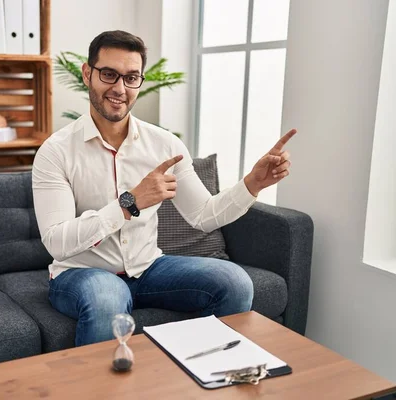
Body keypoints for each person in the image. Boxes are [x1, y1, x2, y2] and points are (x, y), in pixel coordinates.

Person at [32, 30, 296, 347]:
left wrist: (253, 184)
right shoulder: (56, 151)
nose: (119, 88)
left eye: (131, 78)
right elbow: (57, 242)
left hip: (149, 268)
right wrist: (129, 204)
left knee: (234, 282)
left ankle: (199, 376)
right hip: (81, 272)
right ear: (88, 74)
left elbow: (203, 215)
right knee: (106, 299)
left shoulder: (163, 143)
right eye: (109, 74)